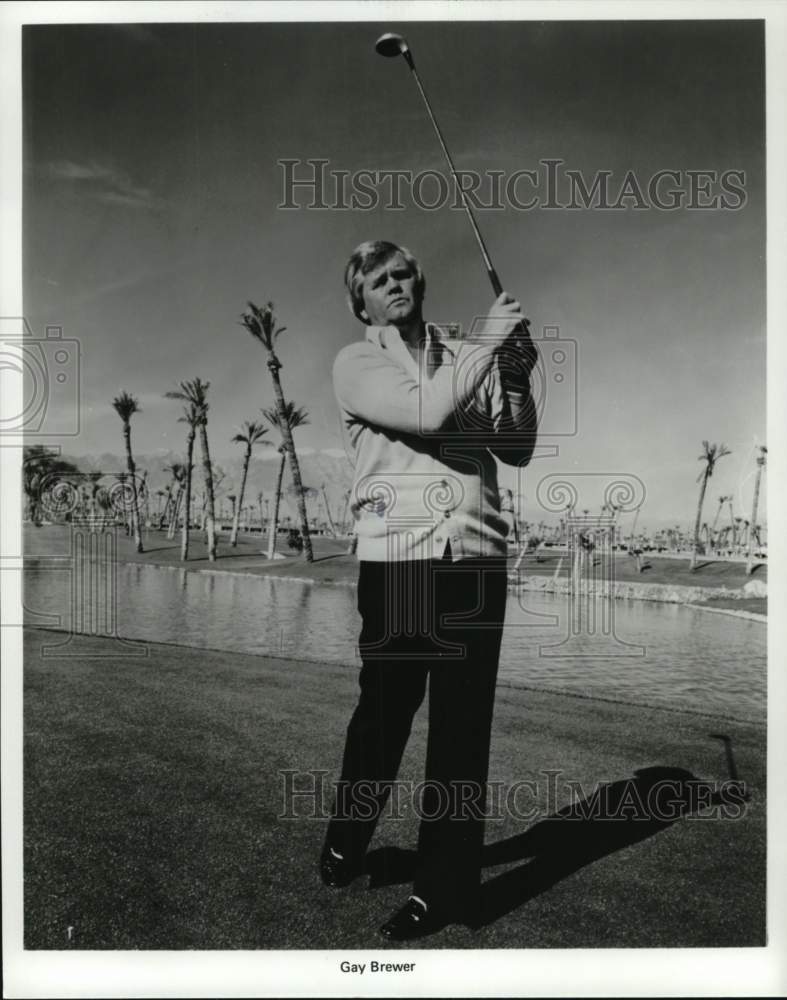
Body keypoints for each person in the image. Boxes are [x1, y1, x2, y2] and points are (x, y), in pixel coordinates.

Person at [321, 240, 538, 940]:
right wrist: (491, 344)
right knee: (383, 717)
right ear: (361, 303)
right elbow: (429, 414)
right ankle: (347, 838)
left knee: (461, 730)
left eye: (402, 273)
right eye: (377, 280)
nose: (393, 284)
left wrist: (514, 377)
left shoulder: (466, 354)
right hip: (399, 562)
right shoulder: (356, 364)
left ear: (420, 281)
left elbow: (516, 447)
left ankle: (441, 889)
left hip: (473, 561)